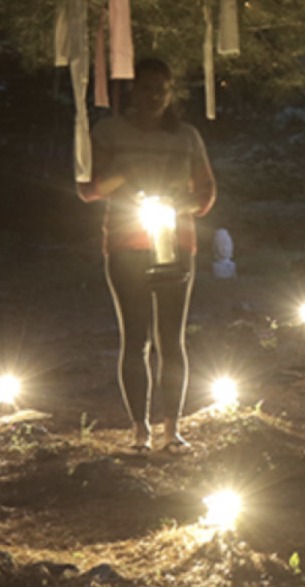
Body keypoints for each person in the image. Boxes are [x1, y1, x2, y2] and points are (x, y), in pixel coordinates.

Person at [77, 58, 216, 452]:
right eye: (146, 87)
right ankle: (140, 429)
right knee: (134, 336)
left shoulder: (187, 136)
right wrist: (127, 181)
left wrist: (179, 204)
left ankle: (172, 428)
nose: (153, 95)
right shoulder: (109, 133)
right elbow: (88, 188)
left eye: (162, 88)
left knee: (171, 339)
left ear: (171, 93)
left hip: (176, 241)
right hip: (125, 242)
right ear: (132, 91)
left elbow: (206, 192)